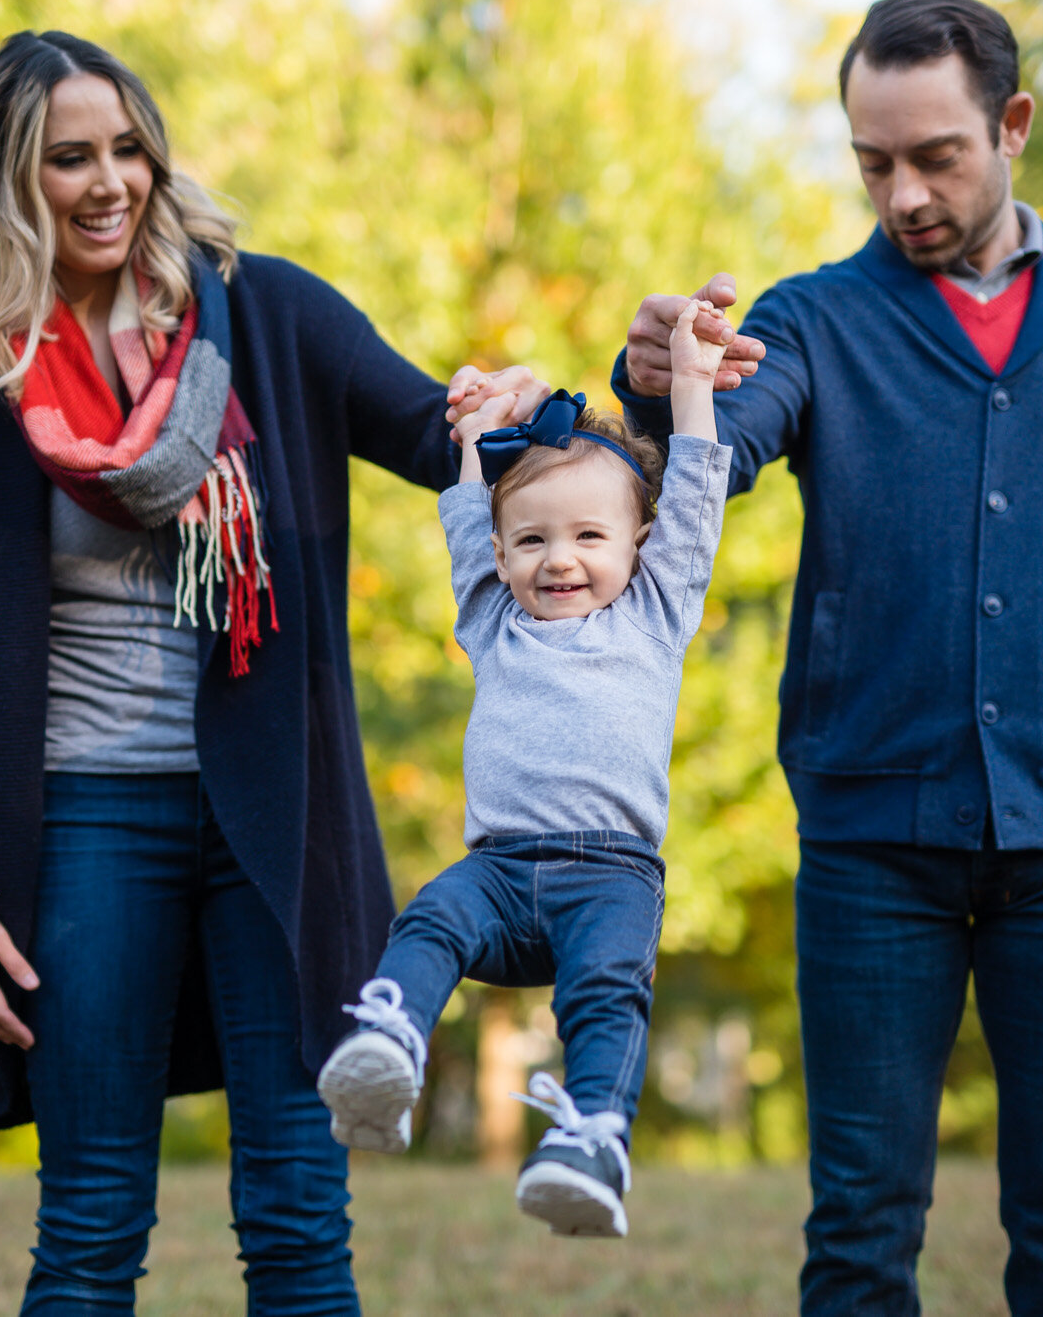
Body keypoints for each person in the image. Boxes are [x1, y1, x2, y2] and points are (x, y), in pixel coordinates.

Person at [613, 0, 1043, 1317]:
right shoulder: (816, 318)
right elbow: (728, 437)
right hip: (875, 838)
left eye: (935, 155)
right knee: (862, 1232)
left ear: (1013, 125)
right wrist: (662, 381)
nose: (904, 194)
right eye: (873, 161)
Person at [0, 30, 550, 1316]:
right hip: (79, 822)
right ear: (11, 178)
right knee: (90, 1226)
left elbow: (442, 434)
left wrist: (601, 399)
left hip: (274, 825)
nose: (111, 180)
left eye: (130, 147)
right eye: (71, 157)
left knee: (297, 1215)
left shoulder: (264, 315)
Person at [314, 304, 735, 1239]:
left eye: (590, 536)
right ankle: (388, 1043)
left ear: (636, 546)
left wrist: (693, 382)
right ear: (501, 556)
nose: (561, 559)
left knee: (606, 994)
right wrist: (470, 440)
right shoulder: (491, 615)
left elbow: (699, 485)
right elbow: (466, 507)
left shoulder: (654, 616)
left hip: (611, 876)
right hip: (499, 873)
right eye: (534, 539)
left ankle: (590, 1141)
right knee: (427, 913)